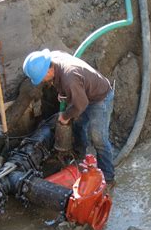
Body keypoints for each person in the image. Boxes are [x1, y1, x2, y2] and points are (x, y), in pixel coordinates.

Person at [23, 49, 115, 186]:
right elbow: (71, 87)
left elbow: (81, 104)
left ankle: (108, 177)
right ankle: (80, 155)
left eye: (41, 78)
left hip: (100, 98)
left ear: (48, 71)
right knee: (78, 125)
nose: (42, 81)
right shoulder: (53, 59)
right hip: (84, 94)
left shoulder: (69, 77)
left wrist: (65, 116)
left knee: (98, 138)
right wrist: (64, 94)